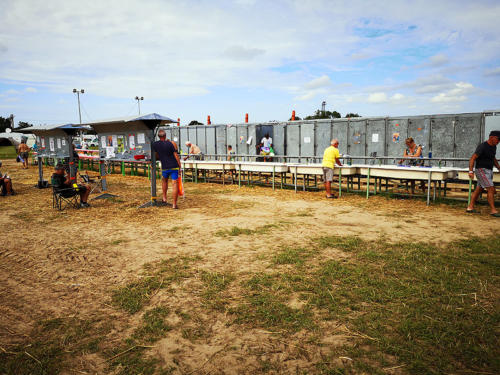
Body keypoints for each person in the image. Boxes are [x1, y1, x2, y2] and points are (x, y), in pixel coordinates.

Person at [466, 130, 500, 217]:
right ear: (491, 137)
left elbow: (493, 158)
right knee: (491, 189)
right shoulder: (483, 146)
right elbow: (473, 158)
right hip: (481, 170)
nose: (498, 142)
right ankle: (493, 210)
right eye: (498, 139)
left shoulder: (493, 147)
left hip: (489, 171)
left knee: (479, 189)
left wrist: (499, 167)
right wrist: (470, 171)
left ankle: (470, 207)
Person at [153, 130, 181, 209]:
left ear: (159, 136)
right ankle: (174, 204)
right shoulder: (170, 143)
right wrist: (180, 166)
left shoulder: (155, 145)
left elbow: (156, 155)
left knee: (164, 180)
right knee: (174, 184)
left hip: (165, 167)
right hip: (174, 166)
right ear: (165, 136)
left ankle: (164, 198)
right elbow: (175, 155)